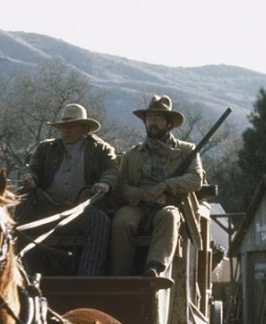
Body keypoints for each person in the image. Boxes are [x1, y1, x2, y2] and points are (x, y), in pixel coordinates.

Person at [18, 103, 118, 276]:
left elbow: (112, 170)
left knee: (100, 220)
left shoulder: (101, 149)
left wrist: (105, 184)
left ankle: (86, 279)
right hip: (46, 206)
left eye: (71, 126)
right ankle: (14, 269)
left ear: (84, 128)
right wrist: (30, 178)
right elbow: (32, 169)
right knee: (19, 206)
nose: (66, 130)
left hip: (79, 209)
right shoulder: (46, 148)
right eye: (63, 127)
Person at [110, 95, 203, 277]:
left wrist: (166, 186)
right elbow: (122, 186)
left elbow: (196, 179)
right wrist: (143, 195)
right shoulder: (131, 154)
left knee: (169, 216)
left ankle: (155, 268)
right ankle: (120, 275)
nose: (152, 122)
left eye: (158, 118)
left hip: (169, 203)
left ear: (169, 124)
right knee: (122, 221)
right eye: (149, 118)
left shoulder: (187, 150)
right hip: (137, 204)